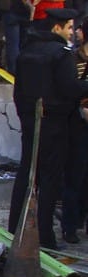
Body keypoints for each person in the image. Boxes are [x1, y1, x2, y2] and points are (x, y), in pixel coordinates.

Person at [9, 7, 88, 247]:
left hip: (30, 122)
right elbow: (70, 89)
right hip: (54, 124)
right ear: (57, 27)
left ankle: (14, 229)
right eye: (69, 27)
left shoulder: (27, 50)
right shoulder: (61, 54)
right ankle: (44, 236)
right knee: (49, 180)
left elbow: (18, 91)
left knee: (26, 175)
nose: (72, 32)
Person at [60, 16, 88, 242]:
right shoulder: (71, 58)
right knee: (75, 176)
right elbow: (66, 91)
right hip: (77, 126)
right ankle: (70, 226)